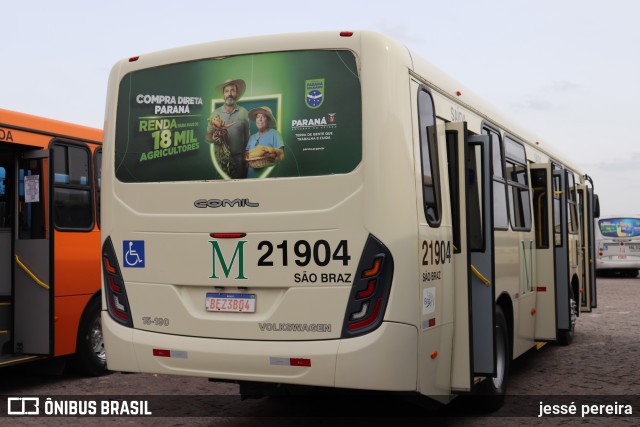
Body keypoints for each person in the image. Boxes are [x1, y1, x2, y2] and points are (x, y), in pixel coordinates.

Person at [206, 79, 250, 179]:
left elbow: (247, 136)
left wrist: (247, 156)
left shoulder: (244, 112)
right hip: (222, 160)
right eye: (227, 91)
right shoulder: (215, 114)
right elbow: (207, 136)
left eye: (232, 90)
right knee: (222, 191)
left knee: (241, 190)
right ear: (223, 94)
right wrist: (213, 137)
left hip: (240, 161)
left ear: (236, 93)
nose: (229, 94)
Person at [245, 106, 285, 178]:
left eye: (263, 117)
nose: (260, 119)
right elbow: (246, 156)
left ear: (268, 120)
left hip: (268, 177)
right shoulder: (252, 137)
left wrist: (272, 156)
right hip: (251, 177)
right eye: (258, 117)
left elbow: (281, 154)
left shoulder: (275, 134)